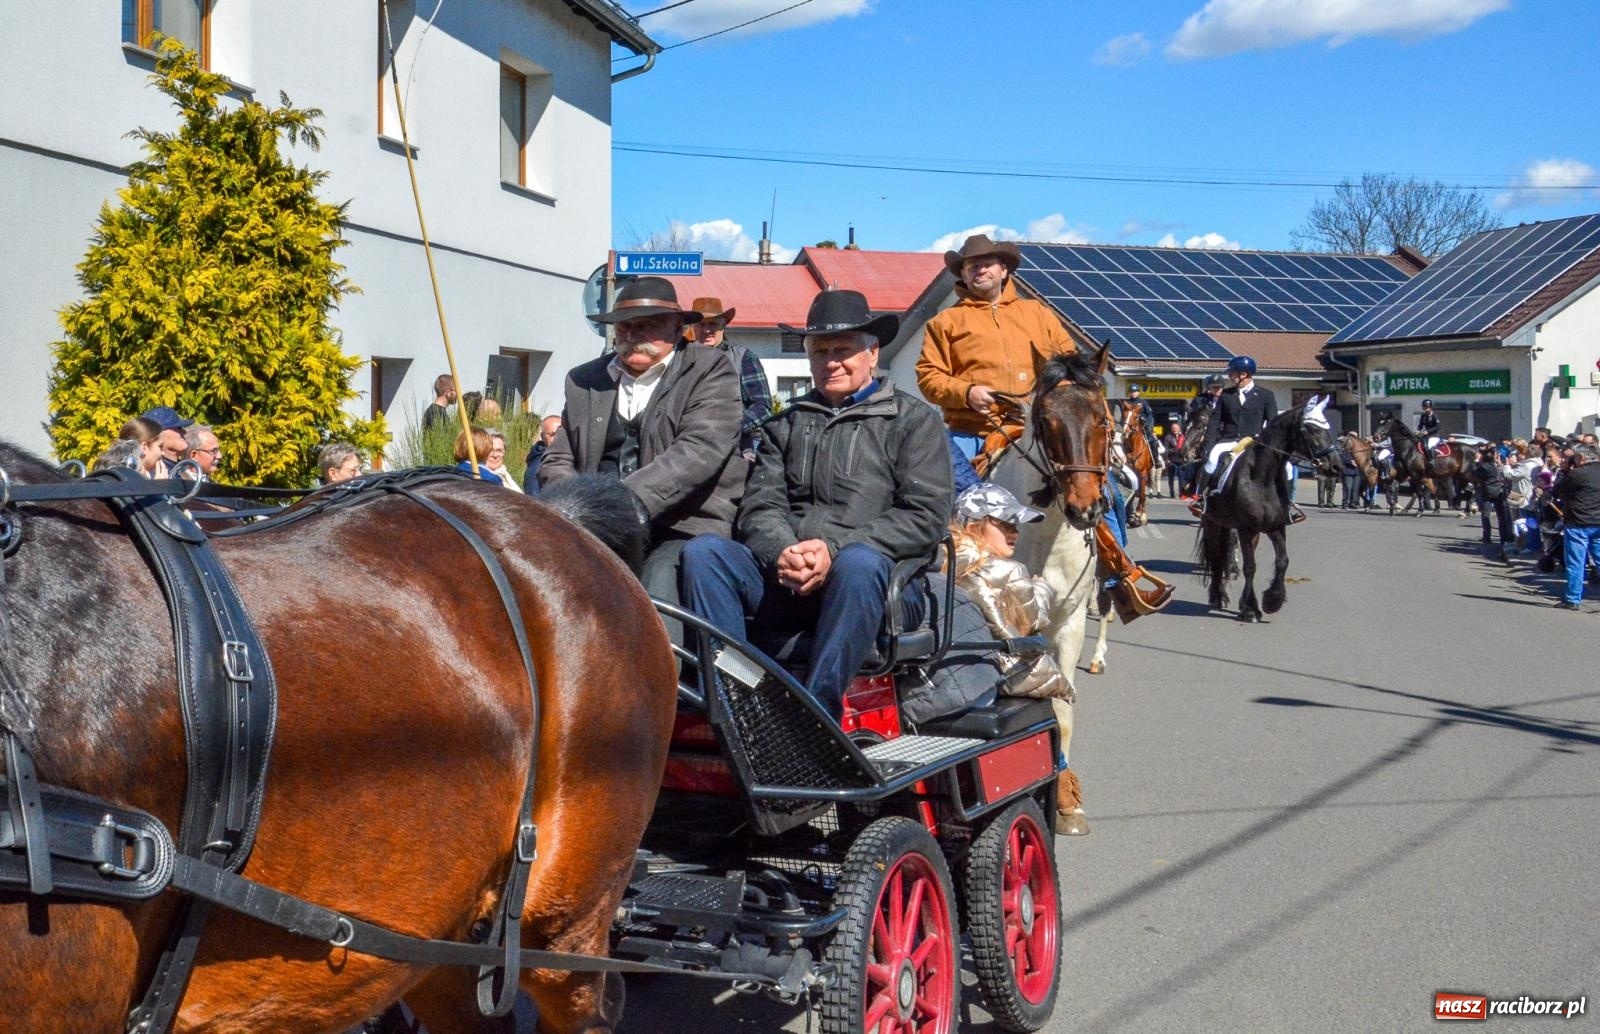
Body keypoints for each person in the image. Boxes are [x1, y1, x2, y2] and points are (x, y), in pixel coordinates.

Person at [681, 289, 951, 719]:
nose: (831, 362)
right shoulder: (784, 424)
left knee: (860, 564)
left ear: (872, 353)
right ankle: (734, 702)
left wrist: (833, 549)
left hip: (880, 588)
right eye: (819, 350)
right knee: (703, 553)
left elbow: (925, 515)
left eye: (843, 350)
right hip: (790, 578)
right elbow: (760, 507)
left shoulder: (914, 422)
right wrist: (782, 552)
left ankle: (814, 716)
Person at [540, 276, 744, 607]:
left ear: (678, 327)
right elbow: (558, 458)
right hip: (592, 528)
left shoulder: (711, 369)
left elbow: (699, 450)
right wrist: (575, 511)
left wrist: (616, 506)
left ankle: (669, 660)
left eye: (647, 326)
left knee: (655, 590)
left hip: (681, 527)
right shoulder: (584, 380)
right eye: (623, 327)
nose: (633, 336)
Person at [947, 483, 1085, 835]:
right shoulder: (1011, 571)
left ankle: (1118, 567)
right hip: (999, 671)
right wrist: (1041, 587)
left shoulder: (941, 560)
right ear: (976, 525)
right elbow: (1033, 622)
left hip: (950, 670)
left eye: (1015, 525)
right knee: (1049, 709)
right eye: (1004, 524)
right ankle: (1061, 780)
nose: (1014, 532)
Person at [915, 233, 1078, 462]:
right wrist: (967, 393)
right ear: (963, 274)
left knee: (1098, 486)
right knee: (947, 490)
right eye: (972, 266)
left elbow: (1070, 363)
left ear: (1003, 270)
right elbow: (928, 376)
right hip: (971, 434)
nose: (980, 270)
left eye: (987, 264)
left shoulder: (1039, 314)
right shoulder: (945, 322)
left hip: (1039, 428)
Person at [689, 296, 772, 461]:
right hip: (688, 447)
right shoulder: (680, 361)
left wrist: (732, 429)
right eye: (702, 324)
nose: (707, 330)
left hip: (736, 447)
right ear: (693, 327)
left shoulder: (743, 358)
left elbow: (762, 406)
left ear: (723, 326)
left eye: (713, 324)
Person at [1552, 443, 1600, 610]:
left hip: (1578, 523)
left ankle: (1572, 598)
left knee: (1576, 563)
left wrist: (1567, 469)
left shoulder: (1577, 474)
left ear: (1581, 458)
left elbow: (1558, 490)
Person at [1471, 447, 1512, 563]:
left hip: (1486, 492)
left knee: (1485, 514)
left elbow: (1475, 475)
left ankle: (1487, 536)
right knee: (1501, 516)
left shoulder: (1482, 467)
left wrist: (1477, 463)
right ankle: (1503, 538)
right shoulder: (1497, 466)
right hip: (1498, 492)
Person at [140, 406, 193, 477]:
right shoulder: (154, 474)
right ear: (159, 433)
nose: (184, 432)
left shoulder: (181, 469)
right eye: (178, 428)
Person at [522, 414, 562, 495]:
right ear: (542, 436)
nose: (558, 438)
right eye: (552, 434)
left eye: (562, 433)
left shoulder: (566, 456)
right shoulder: (537, 468)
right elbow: (534, 501)